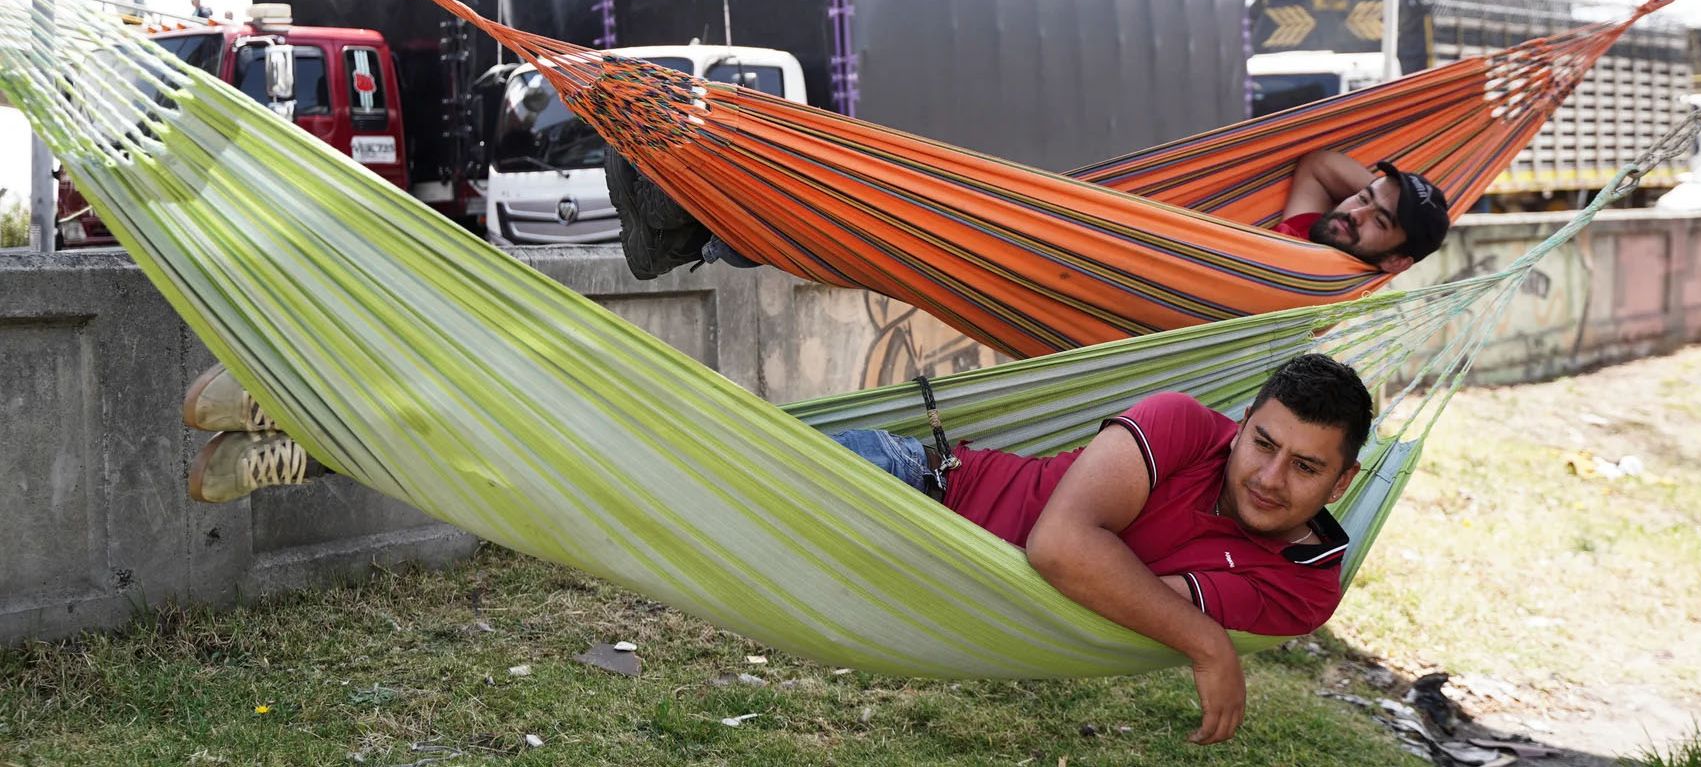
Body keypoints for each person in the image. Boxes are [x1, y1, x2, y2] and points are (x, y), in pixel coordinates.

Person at [182, 353, 1372, 745]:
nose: (1267, 477)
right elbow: (1069, 548)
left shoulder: (1300, 590)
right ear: (1243, 422)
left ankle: (334, 431)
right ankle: (329, 407)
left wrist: (1195, 628)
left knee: (597, 487)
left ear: (1344, 480)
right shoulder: (1182, 423)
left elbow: (1110, 587)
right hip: (902, 492)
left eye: (1303, 467)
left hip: (921, 578)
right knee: (617, 447)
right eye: (1263, 443)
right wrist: (1206, 644)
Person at [1275, 150, 1452, 273]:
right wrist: (1388, 198)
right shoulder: (1309, 232)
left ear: (1396, 261)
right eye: (1363, 198)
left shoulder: (1316, 289)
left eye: (1380, 221)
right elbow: (1318, 164)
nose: (1355, 214)